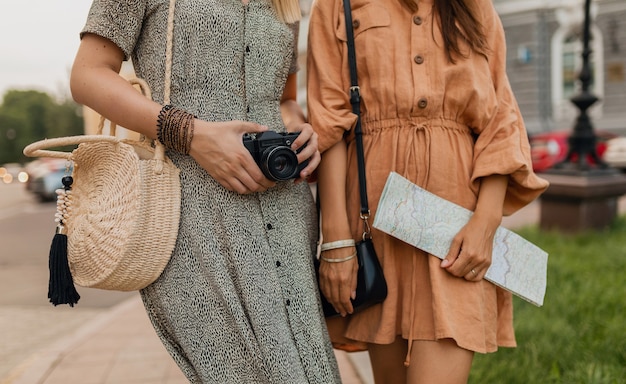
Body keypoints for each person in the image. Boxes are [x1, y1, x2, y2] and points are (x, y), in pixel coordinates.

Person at [70, 0, 341, 383]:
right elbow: (87, 75)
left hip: (287, 214)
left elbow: (283, 99)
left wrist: (300, 132)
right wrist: (192, 134)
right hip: (192, 217)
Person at [307, 0, 550, 382]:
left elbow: (501, 121)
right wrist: (336, 243)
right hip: (375, 228)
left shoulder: (474, 7)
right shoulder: (338, 4)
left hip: (455, 228)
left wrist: (485, 223)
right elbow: (329, 123)